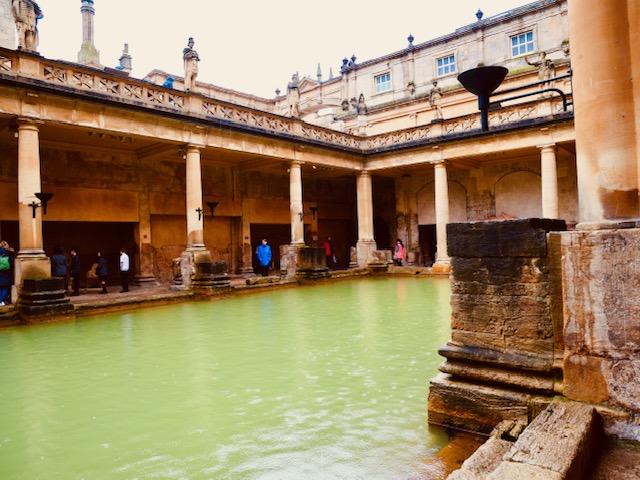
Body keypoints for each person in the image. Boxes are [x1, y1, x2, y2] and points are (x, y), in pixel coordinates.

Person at [0, 240, 15, 306]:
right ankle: (0, 301)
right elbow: (12, 263)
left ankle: (1, 301)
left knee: (1, 288)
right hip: (7, 273)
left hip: (0, 273)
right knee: (5, 288)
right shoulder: (9, 252)